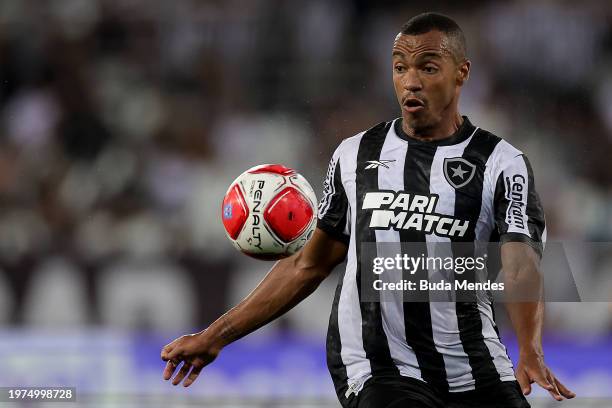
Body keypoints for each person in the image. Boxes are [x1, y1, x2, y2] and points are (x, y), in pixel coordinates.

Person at [161, 12, 576, 408]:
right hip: (379, 368)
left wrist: (530, 349)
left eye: (428, 68)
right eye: (400, 68)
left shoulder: (502, 163)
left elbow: (520, 265)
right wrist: (215, 336)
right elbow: (309, 264)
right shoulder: (355, 155)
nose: (410, 82)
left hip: (474, 365)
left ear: (461, 73)